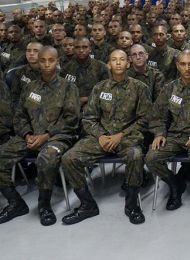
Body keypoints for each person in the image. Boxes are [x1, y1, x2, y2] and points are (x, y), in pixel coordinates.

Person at [61, 49, 151, 225]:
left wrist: (121, 135)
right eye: (114, 60)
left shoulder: (140, 88)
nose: (118, 63)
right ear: (108, 64)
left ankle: (132, 205)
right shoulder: (99, 88)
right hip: (100, 137)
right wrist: (101, 136)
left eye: (122, 59)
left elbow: (146, 119)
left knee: (135, 156)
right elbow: (88, 118)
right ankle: (87, 204)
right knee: (69, 158)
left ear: (128, 64)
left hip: (127, 136)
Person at [0, 46, 79, 226]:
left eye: (51, 60)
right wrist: (27, 134)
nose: (46, 64)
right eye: (42, 60)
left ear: (58, 62)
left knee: (45, 159)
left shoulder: (68, 87)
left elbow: (72, 120)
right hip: (29, 136)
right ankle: (15, 202)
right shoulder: (30, 87)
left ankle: (44, 205)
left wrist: (46, 136)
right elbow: (19, 116)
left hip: (58, 137)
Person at [145, 50, 190, 212]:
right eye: (183, 64)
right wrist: (159, 134)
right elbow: (158, 116)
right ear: (177, 66)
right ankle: (175, 185)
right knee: (151, 157)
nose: (187, 68)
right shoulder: (169, 88)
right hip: (174, 136)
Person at [60, 37, 110, 112]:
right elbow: (61, 92)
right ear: (73, 49)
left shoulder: (101, 68)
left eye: (84, 47)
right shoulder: (66, 69)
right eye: (77, 47)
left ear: (90, 49)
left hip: (96, 108)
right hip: (71, 110)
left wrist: (86, 99)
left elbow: (108, 93)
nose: (81, 50)